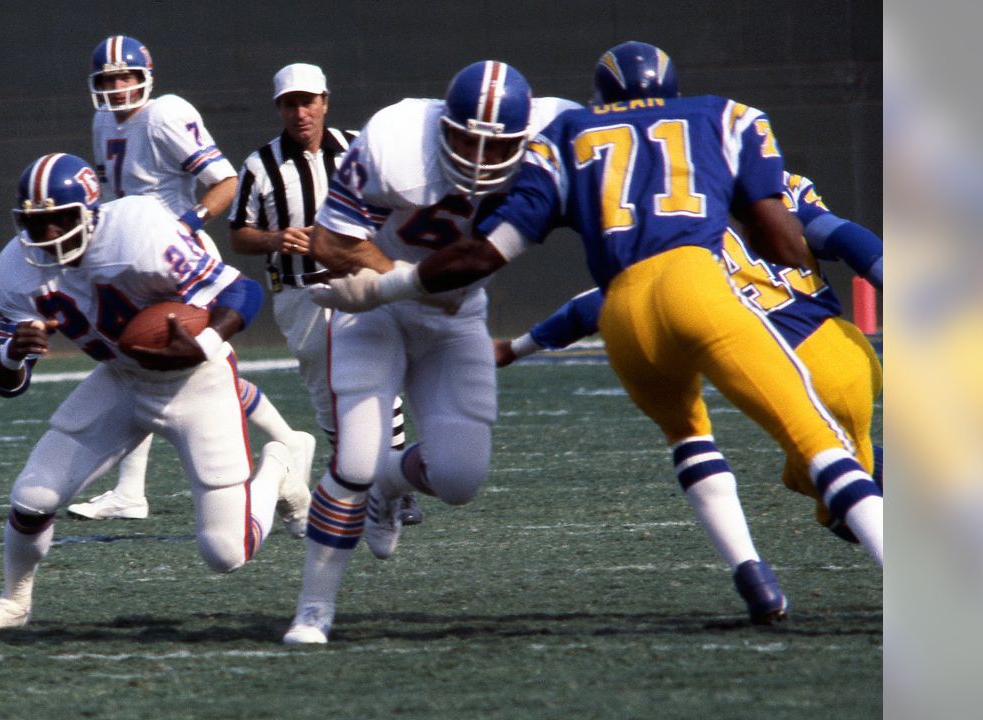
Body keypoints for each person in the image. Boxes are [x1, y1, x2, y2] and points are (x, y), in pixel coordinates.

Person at [310, 42, 884, 626]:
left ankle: (756, 578)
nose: (483, 159)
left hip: (624, 309)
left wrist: (401, 293)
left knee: (688, 437)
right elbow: (796, 234)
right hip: (725, 303)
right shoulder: (724, 120)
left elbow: (493, 255)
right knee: (819, 445)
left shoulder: (571, 137)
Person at [282, 61, 582, 644]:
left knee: (460, 479)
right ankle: (313, 609)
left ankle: (391, 486)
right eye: (466, 138)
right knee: (354, 460)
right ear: (445, 124)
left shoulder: (561, 134)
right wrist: (403, 279)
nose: (478, 158)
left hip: (457, 316)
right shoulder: (397, 138)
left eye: (496, 146)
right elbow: (328, 242)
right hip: (378, 307)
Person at [0, 153, 312, 633]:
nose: (46, 235)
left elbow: (241, 292)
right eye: (35, 223)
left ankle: (280, 467)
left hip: (195, 379)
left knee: (226, 553)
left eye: (58, 220)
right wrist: (12, 355)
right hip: (122, 379)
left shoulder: (139, 229)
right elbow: (7, 386)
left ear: (90, 210)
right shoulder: (15, 269)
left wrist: (201, 344)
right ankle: (14, 600)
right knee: (32, 497)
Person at [495, 169, 884, 545]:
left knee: (848, 507)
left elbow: (593, 307)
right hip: (853, 350)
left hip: (802, 376)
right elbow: (846, 238)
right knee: (807, 473)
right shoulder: (775, 189)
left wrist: (518, 346)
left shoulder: (671, 236)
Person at [71, 35, 315, 523]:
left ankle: (290, 442)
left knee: (199, 364)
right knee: (141, 359)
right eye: (109, 80)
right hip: (129, 256)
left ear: (146, 75)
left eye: (125, 77)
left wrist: (189, 223)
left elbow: (224, 181)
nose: (118, 88)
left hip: (175, 255)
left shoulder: (164, 114)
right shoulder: (102, 120)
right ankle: (130, 493)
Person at [229, 62, 423, 527]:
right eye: (290, 103)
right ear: (279, 108)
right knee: (326, 393)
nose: (301, 112)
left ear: (325, 102)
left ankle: (392, 485)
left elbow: (393, 203)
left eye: (308, 101)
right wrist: (275, 240)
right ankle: (356, 483)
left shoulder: (358, 148)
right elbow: (239, 234)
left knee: (380, 380)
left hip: (361, 282)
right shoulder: (259, 166)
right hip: (302, 291)